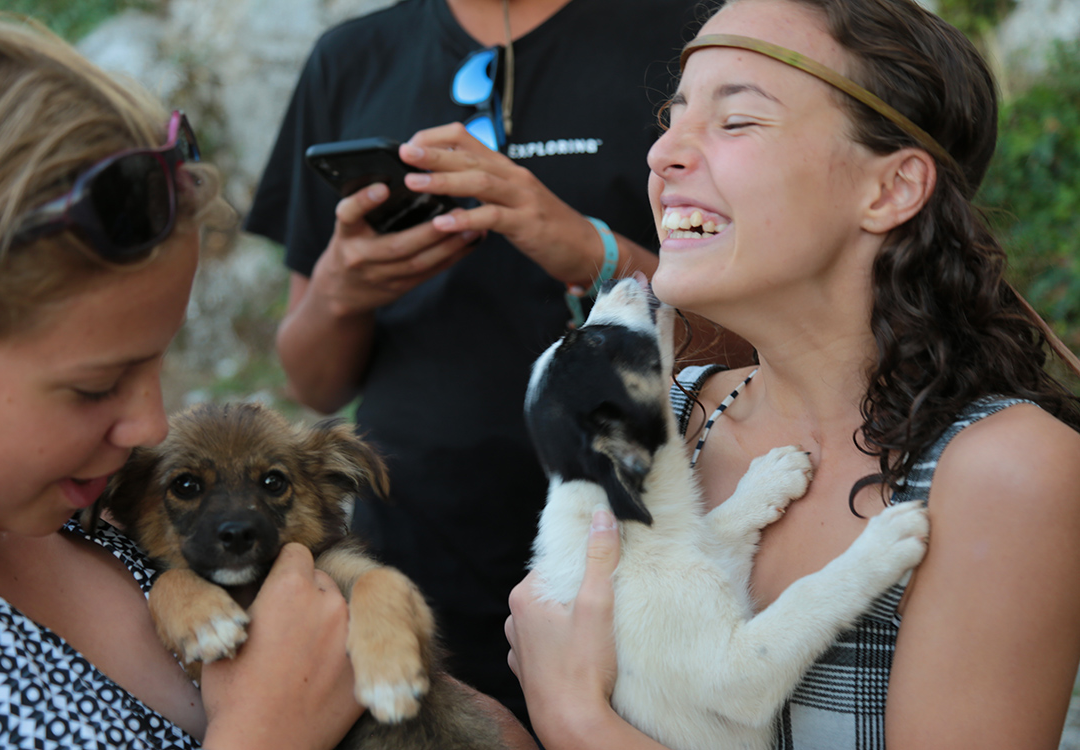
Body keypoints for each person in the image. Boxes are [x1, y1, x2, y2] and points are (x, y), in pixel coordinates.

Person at [505, 0, 1080, 748]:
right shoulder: (666, 417)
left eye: (735, 120)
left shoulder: (1003, 471)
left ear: (889, 189)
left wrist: (574, 719)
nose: (660, 155)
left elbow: (582, 707)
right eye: (670, 117)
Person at [0, 13, 534, 749]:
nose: (152, 428)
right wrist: (266, 733)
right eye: (96, 384)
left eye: (157, 365)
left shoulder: (96, 512)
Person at [244, 0, 747, 727]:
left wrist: (595, 252)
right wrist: (338, 291)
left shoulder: (691, 32)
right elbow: (311, 382)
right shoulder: (351, 57)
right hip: (414, 564)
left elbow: (761, 344)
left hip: (646, 557)